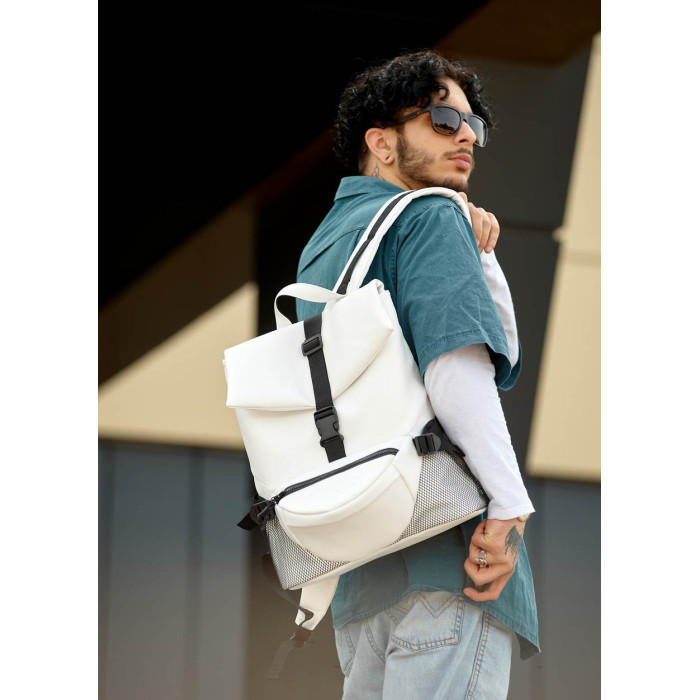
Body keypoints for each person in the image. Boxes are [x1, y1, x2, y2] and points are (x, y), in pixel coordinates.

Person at [295, 49, 540, 700]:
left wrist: (477, 251)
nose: (466, 136)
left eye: (471, 124)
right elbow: (459, 368)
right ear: (381, 142)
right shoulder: (430, 215)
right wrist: (509, 509)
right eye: (441, 119)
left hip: (362, 576)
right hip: (447, 555)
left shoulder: (327, 241)